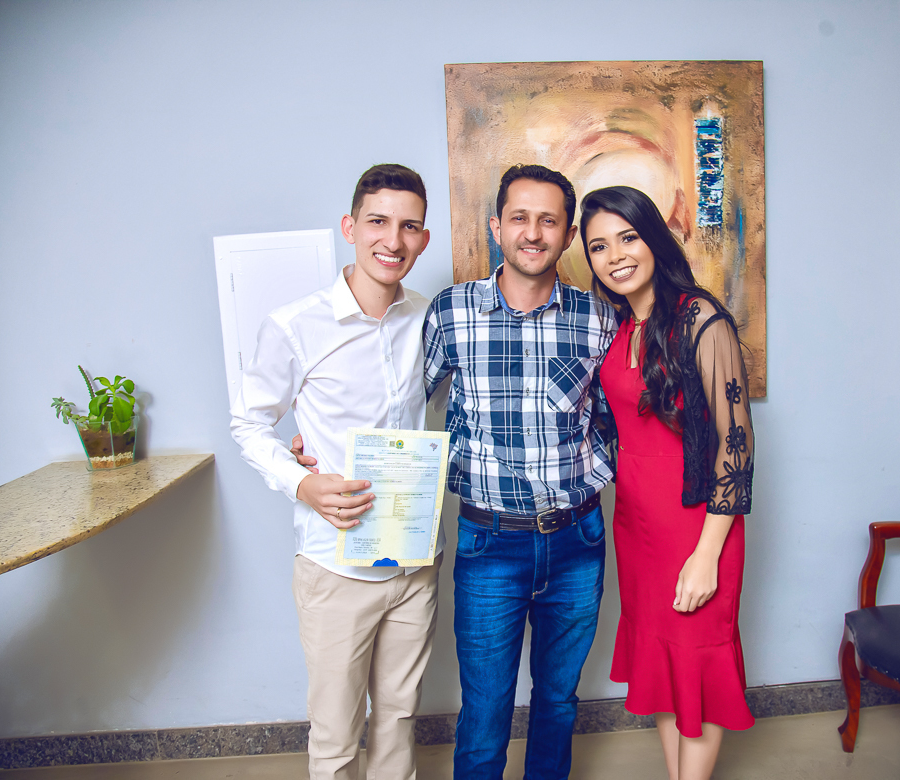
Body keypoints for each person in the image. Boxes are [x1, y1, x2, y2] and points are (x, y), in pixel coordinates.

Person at [230, 163, 440, 780]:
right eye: (378, 222)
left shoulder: (429, 320)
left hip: (413, 561)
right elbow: (249, 423)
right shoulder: (295, 325)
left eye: (409, 227)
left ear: (424, 238)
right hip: (334, 563)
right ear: (350, 227)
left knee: (399, 719)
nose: (392, 240)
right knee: (335, 733)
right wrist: (302, 481)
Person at [424, 164, 618, 779]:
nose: (533, 233)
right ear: (496, 226)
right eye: (519, 218)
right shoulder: (452, 312)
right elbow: (397, 405)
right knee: (485, 710)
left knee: (558, 703)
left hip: (577, 540)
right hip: (489, 542)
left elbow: (618, 422)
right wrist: (320, 441)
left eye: (548, 221)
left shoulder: (598, 319)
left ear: (568, 236)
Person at [579, 185, 756, 780]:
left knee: (697, 665)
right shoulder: (618, 325)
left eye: (628, 237)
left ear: (653, 238)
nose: (615, 256)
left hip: (697, 526)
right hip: (637, 528)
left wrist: (707, 555)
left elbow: (736, 445)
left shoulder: (701, 318)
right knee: (661, 666)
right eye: (599, 246)